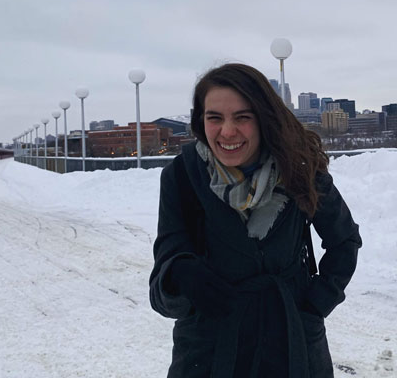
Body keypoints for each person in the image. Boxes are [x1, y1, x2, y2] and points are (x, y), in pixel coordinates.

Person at [149, 63, 362, 377]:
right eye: (215, 118)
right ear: (200, 121)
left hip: (292, 344)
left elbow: (344, 241)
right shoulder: (181, 177)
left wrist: (315, 306)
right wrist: (181, 275)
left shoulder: (298, 168)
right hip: (210, 351)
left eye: (242, 117)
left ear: (263, 118)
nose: (228, 131)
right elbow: (161, 289)